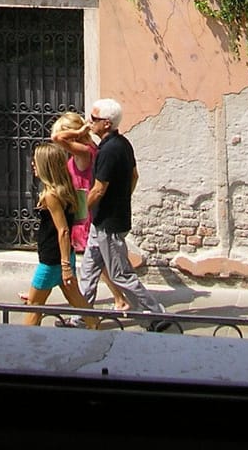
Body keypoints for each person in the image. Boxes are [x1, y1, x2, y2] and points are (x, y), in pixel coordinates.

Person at [73, 98, 171, 328]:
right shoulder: (123, 144)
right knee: (88, 271)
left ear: (106, 123)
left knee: (120, 274)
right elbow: (134, 176)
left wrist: (76, 211)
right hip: (103, 221)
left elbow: (98, 189)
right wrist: (122, 198)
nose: (90, 122)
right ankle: (80, 319)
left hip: (109, 224)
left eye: (94, 119)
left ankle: (156, 314)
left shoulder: (109, 151)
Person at [50, 111, 129, 311]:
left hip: (85, 208)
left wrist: (78, 130)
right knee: (94, 261)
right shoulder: (91, 148)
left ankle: (118, 299)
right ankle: (88, 307)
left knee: (97, 261)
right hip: (83, 206)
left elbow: (56, 138)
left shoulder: (84, 151)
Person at [20, 142, 98, 328]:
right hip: (63, 256)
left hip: (52, 261)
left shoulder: (51, 195)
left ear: (46, 166)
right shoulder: (65, 189)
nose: (32, 165)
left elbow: (63, 231)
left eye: (35, 162)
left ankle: (22, 342)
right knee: (76, 299)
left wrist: (65, 267)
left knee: (34, 306)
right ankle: (96, 328)